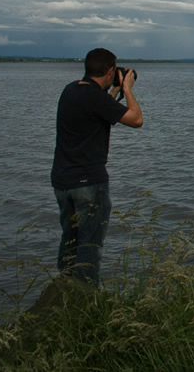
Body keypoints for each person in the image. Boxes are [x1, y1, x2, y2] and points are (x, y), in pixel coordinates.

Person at [51, 47, 143, 288]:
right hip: (89, 183)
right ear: (110, 70)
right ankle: (85, 299)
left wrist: (113, 92)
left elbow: (97, 110)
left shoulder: (71, 90)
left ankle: (62, 290)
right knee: (90, 246)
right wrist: (128, 90)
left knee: (70, 241)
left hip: (63, 182)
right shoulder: (94, 97)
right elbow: (136, 120)